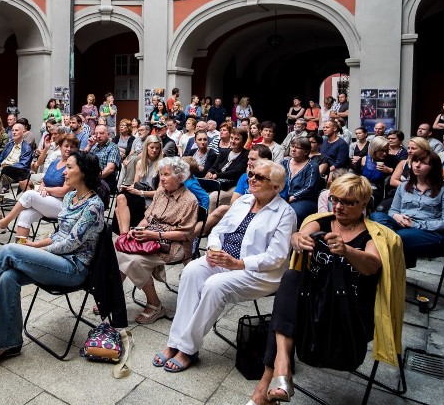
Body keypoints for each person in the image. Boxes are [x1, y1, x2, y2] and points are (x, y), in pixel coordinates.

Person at [0, 151, 105, 362]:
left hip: (74, 268)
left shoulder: (94, 206)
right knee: (8, 277)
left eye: (70, 167)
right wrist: (35, 244)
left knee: (8, 250)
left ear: (84, 172)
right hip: (57, 260)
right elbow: (58, 235)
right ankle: (8, 342)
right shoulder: (71, 197)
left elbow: (70, 243)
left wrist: (37, 252)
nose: (64, 171)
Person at [249, 174, 400, 405]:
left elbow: (372, 264)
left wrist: (347, 251)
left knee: (283, 313)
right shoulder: (321, 221)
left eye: (347, 202)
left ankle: (269, 383)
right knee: (290, 279)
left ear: (364, 204)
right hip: (312, 305)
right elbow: (300, 235)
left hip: (348, 314)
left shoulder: (373, 236)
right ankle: (280, 370)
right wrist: (298, 239)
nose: (338, 206)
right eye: (335, 199)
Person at [156, 159, 295, 373]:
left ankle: (187, 349)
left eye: (260, 177)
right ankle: (174, 343)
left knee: (214, 286)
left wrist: (239, 263)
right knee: (192, 271)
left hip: (257, 272)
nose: (252, 179)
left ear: (276, 187)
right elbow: (218, 230)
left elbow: (276, 257)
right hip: (223, 259)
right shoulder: (244, 201)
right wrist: (212, 248)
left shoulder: (285, 213)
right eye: (252, 174)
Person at [115, 157, 198, 325]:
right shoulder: (160, 191)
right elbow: (148, 218)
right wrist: (137, 230)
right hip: (151, 237)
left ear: (180, 177)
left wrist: (155, 236)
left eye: (166, 174)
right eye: (161, 173)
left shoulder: (190, 201)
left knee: (133, 260)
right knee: (119, 251)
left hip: (175, 245)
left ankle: (155, 305)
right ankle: (114, 297)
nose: (162, 178)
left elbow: (184, 234)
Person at [370, 149, 444, 265]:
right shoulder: (404, 187)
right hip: (403, 226)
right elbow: (393, 210)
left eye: (423, 163)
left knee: (394, 237)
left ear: (433, 167)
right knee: (376, 216)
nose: (417, 165)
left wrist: (415, 225)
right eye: (415, 161)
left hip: (431, 234)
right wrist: (396, 216)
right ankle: (394, 259)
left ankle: (386, 268)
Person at [0, 133, 77, 238]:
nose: (68, 149)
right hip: (47, 200)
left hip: (62, 204)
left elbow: (64, 191)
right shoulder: (55, 162)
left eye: (72, 147)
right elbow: (44, 181)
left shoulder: (75, 166)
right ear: (60, 146)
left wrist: (46, 190)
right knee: (24, 215)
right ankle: (21, 248)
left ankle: (3, 223)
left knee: (29, 195)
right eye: (66, 146)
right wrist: (42, 189)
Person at [113, 135, 163, 234]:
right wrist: (127, 188)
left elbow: (160, 192)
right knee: (120, 196)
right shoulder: (140, 163)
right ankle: (125, 235)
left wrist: (140, 192)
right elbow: (136, 184)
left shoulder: (162, 165)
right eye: (152, 147)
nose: (154, 150)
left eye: (157, 148)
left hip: (150, 198)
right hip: (139, 194)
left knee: (118, 209)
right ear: (146, 147)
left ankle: (124, 235)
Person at [283, 137, 324, 225]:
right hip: (283, 197)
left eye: (297, 148)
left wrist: (292, 197)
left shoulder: (312, 166)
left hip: (303, 199)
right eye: (292, 146)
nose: (293, 150)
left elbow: (310, 187)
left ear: (306, 152)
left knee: (290, 213)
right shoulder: (284, 163)